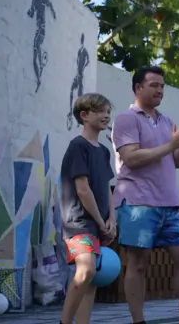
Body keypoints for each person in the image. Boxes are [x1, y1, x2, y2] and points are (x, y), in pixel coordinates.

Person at [111, 66, 179, 324]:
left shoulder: (166, 121)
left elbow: (175, 161)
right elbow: (131, 158)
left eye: (162, 86)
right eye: (154, 85)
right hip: (137, 204)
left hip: (169, 204)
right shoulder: (126, 119)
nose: (160, 90)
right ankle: (138, 321)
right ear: (138, 88)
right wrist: (172, 144)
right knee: (139, 264)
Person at [59, 93, 116, 324]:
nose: (106, 115)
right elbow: (83, 190)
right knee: (86, 271)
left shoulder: (104, 151)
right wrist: (102, 224)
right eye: (100, 111)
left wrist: (112, 218)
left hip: (99, 223)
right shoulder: (77, 146)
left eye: (108, 112)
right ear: (84, 116)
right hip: (78, 222)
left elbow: (106, 187)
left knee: (92, 279)